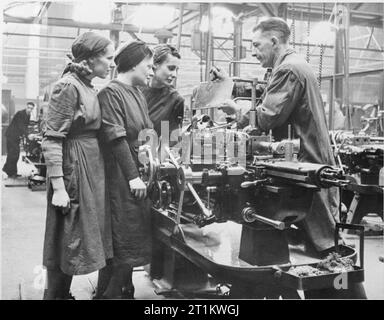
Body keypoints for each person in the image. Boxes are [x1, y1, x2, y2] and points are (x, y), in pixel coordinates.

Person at [41, 32, 115, 299]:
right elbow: (51, 140)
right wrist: (59, 187)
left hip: (90, 166)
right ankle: (55, 296)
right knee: (67, 235)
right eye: (108, 58)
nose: (111, 63)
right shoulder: (68, 86)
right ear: (91, 59)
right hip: (73, 168)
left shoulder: (87, 85)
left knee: (79, 235)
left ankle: (61, 294)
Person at [97, 40, 154, 299]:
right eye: (149, 66)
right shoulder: (111, 93)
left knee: (133, 233)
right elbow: (117, 138)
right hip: (120, 175)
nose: (151, 71)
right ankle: (110, 294)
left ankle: (123, 290)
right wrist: (133, 177)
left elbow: (146, 132)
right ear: (132, 64)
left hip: (138, 171)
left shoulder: (137, 93)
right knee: (122, 233)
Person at [141, 44, 184, 138]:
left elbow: (176, 137)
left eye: (176, 70)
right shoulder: (135, 91)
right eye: (171, 68)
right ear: (155, 64)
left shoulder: (176, 100)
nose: (174, 75)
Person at [2, 102, 35, 178]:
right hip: (11, 135)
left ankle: (8, 170)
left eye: (31, 108)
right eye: (28, 108)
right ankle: (11, 172)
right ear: (26, 107)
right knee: (14, 154)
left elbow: (25, 127)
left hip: (16, 136)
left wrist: (27, 135)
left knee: (14, 154)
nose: (29, 109)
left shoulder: (28, 115)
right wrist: (28, 135)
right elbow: (21, 126)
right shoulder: (20, 113)